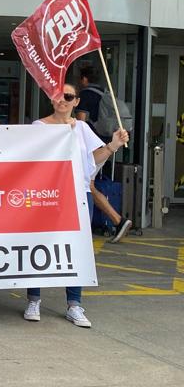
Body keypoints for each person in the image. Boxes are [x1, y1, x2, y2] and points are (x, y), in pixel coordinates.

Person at [25, 82, 128, 328]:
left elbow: (92, 159)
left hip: (78, 193)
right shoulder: (39, 126)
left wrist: (112, 145)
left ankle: (74, 304)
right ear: (51, 99)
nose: (63, 100)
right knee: (39, 244)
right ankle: (33, 299)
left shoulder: (82, 128)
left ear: (76, 102)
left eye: (68, 96)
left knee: (77, 248)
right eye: (59, 95)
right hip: (47, 194)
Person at [76, 66, 132, 242]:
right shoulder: (103, 92)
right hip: (104, 141)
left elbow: (81, 122)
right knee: (89, 185)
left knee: (88, 185)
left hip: (91, 146)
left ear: (84, 79)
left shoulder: (85, 95)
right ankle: (118, 221)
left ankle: (117, 220)